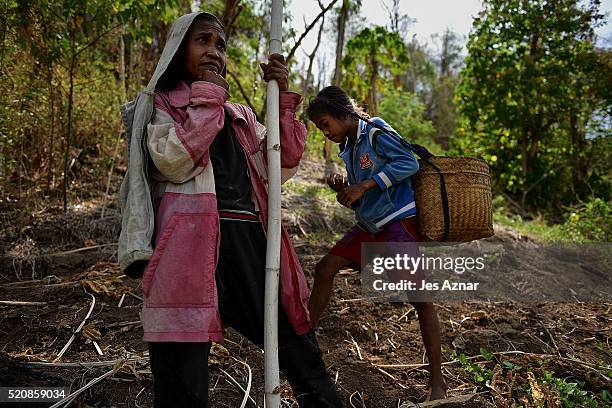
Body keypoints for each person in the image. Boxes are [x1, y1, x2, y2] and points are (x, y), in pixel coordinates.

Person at [118, 12, 343, 408]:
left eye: (220, 45)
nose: (213, 51)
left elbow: (282, 162)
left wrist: (281, 100)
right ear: (178, 48)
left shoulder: (237, 113)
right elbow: (173, 159)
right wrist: (207, 96)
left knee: (294, 341)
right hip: (186, 251)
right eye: (202, 41)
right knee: (181, 371)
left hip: (249, 245)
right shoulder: (158, 106)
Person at [305, 85, 448, 400]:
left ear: (344, 114)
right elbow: (363, 199)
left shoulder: (375, 131)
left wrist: (365, 184)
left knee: (421, 301)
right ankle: (303, 343)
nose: (324, 132)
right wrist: (345, 189)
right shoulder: (349, 147)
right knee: (325, 269)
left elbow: (408, 164)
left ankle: (437, 385)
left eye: (326, 124)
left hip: (398, 225)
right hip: (370, 226)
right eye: (319, 129)